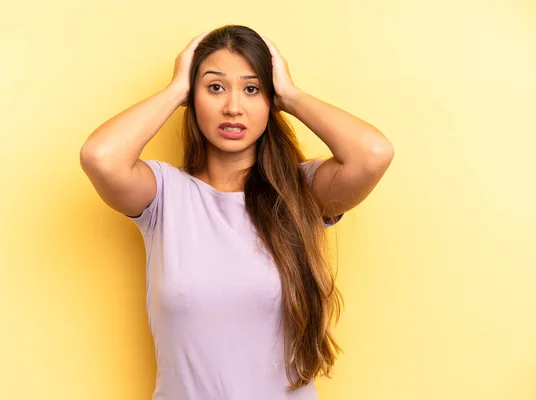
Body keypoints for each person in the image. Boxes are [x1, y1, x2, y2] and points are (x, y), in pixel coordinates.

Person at [80, 25, 394, 400]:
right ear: (193, 98)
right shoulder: (165, 195)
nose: (233, 106)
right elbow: (100, 157)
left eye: (252, 89)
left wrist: (291, 95)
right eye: (214, 87)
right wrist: (175, 88)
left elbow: (373, 154)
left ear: (270, 99)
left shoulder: (301, 192)